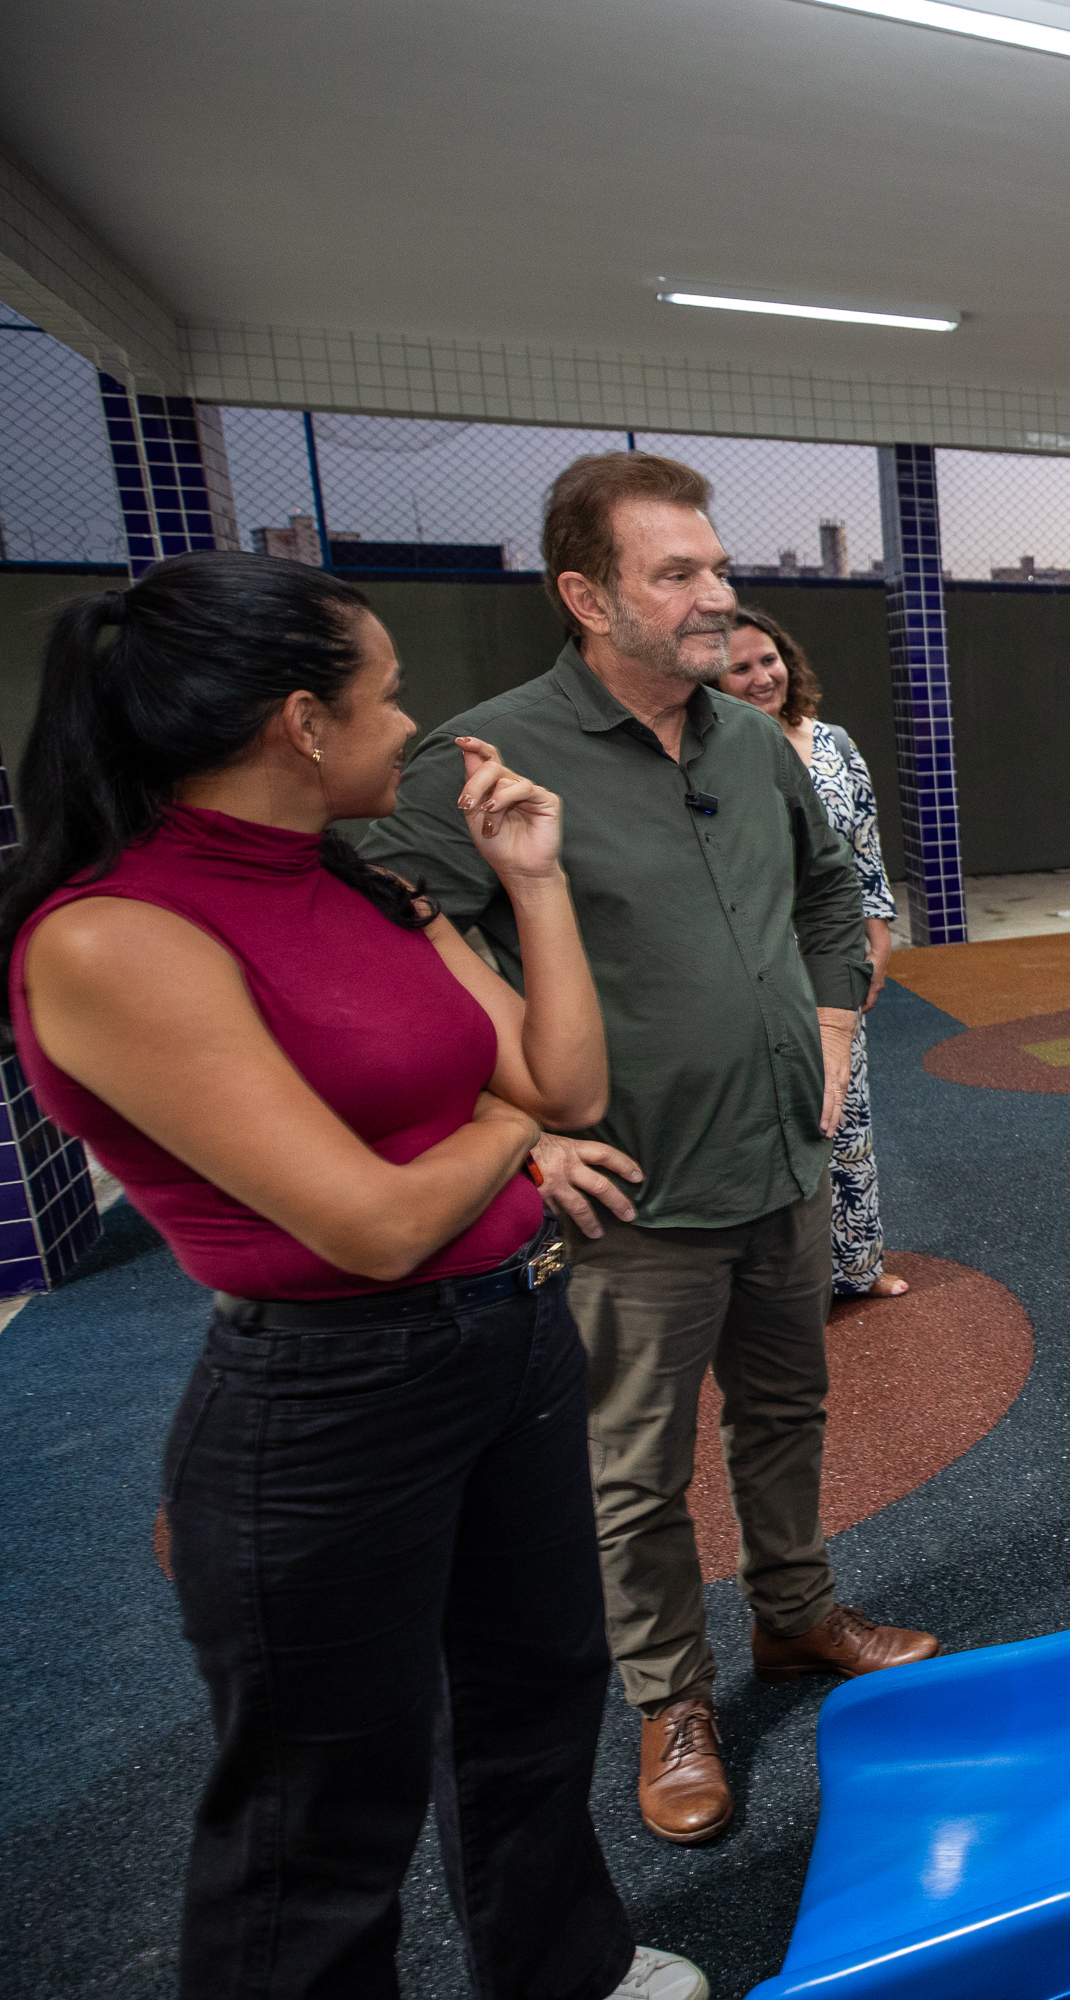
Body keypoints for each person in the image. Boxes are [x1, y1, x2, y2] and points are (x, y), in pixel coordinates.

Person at [0, 552, 703, 2000]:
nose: (414, 724)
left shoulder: (370, 883)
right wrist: (506, 1133)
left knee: (535, 1699)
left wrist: (533, 882)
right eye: (387, 696)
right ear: (301, 723)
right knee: (321, 1809)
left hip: (514, 1338)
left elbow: (568, 1084)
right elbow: (373, 1226)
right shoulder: (112, 935)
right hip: (328, 1397)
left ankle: (564, 1971)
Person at [357, 453, 936, 1852]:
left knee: (786, 1411)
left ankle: (794, 1614)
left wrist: (832, 1026)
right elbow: (392, 969)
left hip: (780, 1163)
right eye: (676, 574)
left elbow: (827, 890)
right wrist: (518, 1138)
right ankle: (671, 1700)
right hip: (632, 1197)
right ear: (585, 595)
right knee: (637, 1467)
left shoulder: (751, 739)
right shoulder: (482, 762)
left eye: (717, 566)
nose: (717, 595)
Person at [719, 607, 906, 1297]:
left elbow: (864, 840)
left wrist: (878, 928)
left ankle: (856, 1266)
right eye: (739, 668)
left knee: (845, 1105)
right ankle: (785, 1283)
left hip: (832, 954)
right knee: (770, 1114)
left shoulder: (832, 742)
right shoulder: (709, 753)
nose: (761, 677)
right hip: (754, 956)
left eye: (768, 660)